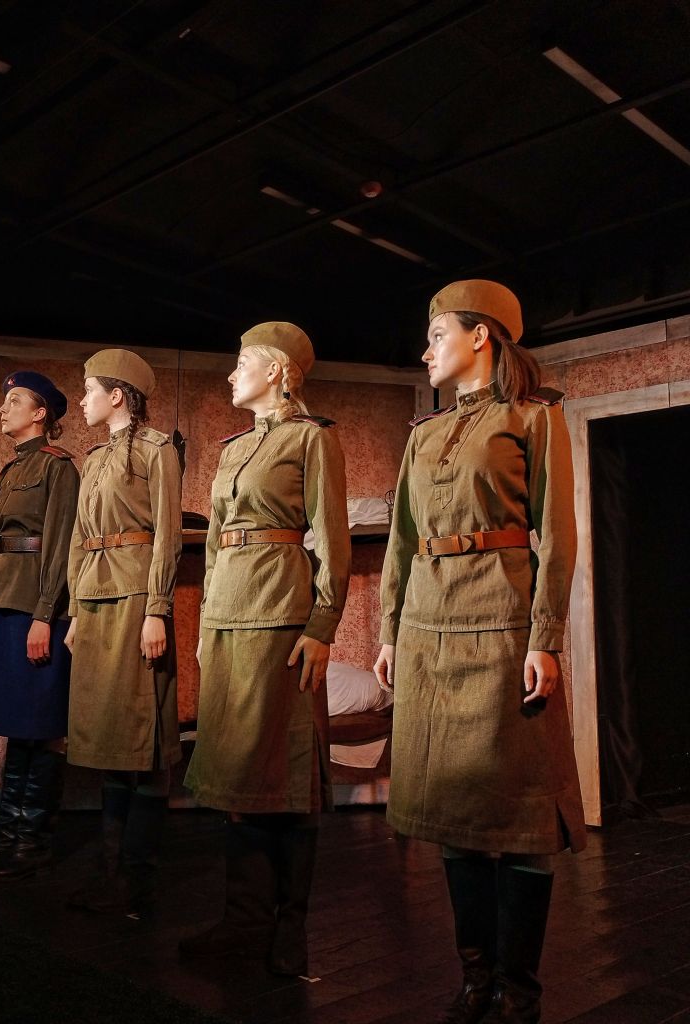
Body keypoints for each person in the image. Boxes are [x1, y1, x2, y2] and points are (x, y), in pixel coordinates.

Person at [373, 280, 585, 1024]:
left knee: (520, 812)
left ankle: (519, 990)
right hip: (428, 628)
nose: (426, 350)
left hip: (501, 624)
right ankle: (476, 981)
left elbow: (557, 537)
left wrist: (545, 639)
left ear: (481, 336)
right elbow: (401, 540)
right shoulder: (423, 433)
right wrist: (388, 630)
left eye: (437, 335)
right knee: (453, 810)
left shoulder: (534, 416)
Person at [181, 322, 351, 978]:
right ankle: (244, 922)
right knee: (236, 771)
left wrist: (322, 625)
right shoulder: (233, 448)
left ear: (277, 370)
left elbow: (329, 537)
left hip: (281, 614)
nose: (231, 375)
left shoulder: (312, 438)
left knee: (285, 770)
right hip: (228, 616)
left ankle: (289, 929)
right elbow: (216, 542)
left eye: (242, 363)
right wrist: (206, 628)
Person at [63, 349, 183, 917]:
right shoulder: (92, 459)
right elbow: (77, 536)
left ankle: (137, 883)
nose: (82, 400)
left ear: (117, 396)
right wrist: (75, 609)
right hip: (95, 597)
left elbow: (167, 534)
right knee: (109, 738)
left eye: (89, 390)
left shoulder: (158, 450)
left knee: (143, 738)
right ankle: (110, 875)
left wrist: (157, 608)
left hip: (136, 598)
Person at [0, 371, 79, 881]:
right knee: (16, 720)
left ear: (40, 413)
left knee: (40, 725)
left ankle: (30, 843)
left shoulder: (57, 467)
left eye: (15, 401)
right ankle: (8, 839)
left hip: (33, 608)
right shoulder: (16, 466)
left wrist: (44, 615)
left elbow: (62, 546)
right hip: (2, 600)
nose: (4, 409)